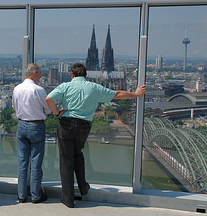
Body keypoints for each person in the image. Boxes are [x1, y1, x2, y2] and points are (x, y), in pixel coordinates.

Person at [46, 63, 146, 208]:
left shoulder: (65, 86)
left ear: (72, 75)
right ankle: (83, 188)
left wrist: (56, 113)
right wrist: (136, 94)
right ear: (85, 75)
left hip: (66, 124)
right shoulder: (94, 87)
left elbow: (48, 99)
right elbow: (117, 94)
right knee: (78, 155)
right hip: (83, 126)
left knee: (66, 161)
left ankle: (68, 199)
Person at [12, 63, 51, 204]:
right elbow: (48, 110)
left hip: (21, 125)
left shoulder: (17, 89)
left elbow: (14, 106)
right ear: (34, 73)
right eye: (39, 73)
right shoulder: (39, 90)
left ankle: (21, 195)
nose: (40, 76)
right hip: (36, 125)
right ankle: (36, 195)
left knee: (22, 162)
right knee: (36, 162)